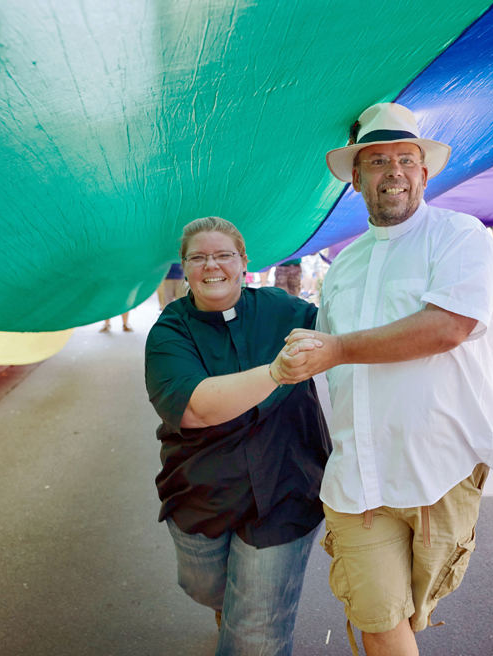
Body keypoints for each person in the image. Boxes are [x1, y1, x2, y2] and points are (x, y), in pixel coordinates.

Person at [276, 102, 493, 656]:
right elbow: (330, 370)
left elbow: (449, 326)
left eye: (406, 160)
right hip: (358, 476)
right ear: (357, 179)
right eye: (379, 160)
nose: (394, 171)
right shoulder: (343, 266)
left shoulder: (461, 236)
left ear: (424, 173)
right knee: (379, 616)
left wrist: (337, 348)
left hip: (441, 467)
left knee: (412, 614)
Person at [143, 217, 331, 656]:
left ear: (244, 262)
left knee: (254, 635)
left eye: (224, 255)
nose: (213, 266)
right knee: (207, 587)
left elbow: (346, 330)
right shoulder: (169, 331)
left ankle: (243, 621)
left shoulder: (284, 310)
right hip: (201, 492)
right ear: (185, 268)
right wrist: (275, 373)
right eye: (199, 257)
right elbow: (194, 407)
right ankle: (227, 607)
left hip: (287, 489)